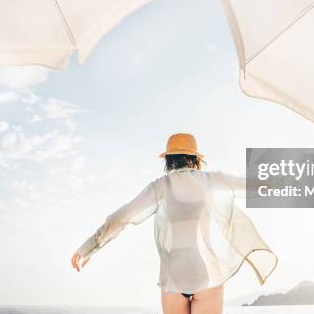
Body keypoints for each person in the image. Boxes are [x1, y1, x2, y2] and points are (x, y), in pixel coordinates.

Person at [71, 133, 277, 314]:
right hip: (205, 273)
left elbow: (120, 218)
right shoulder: (211, 179)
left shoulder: (159, 187)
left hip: (173, 278)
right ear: (195, 158)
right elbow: (253, 185)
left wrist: (88, 248)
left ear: (169, 159)